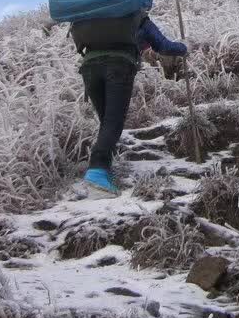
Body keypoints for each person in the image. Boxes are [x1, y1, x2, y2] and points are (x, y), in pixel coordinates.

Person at [73, 12, 188, 195]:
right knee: (113, 122)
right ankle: (97, 172)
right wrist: (183, 48)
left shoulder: (94, 17)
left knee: (107, 121)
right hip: (119, 66)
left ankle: (103, 171)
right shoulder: (138, 18)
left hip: (89, 68)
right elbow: (163, 46)